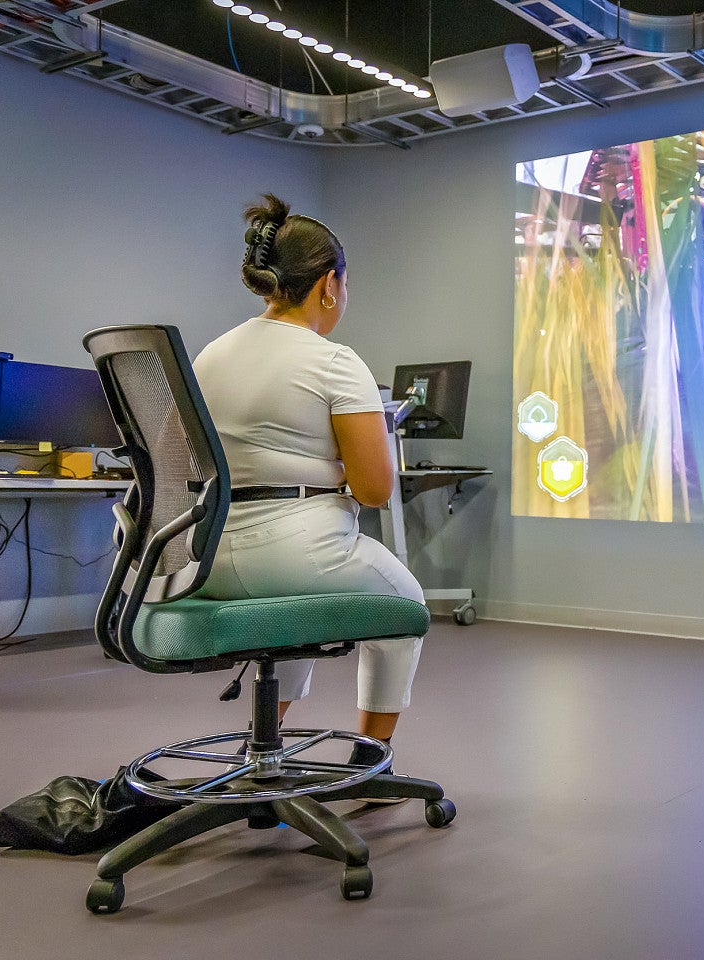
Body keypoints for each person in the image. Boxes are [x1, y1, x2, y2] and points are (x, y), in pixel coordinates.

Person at [192, 193, 422, 773]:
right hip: (293, 554)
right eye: (345, 283)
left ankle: (262, 753)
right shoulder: (336, 362)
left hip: (203, 559)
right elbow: (374, 489)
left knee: (291, 610)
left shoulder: (210, 356)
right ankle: (370, 764)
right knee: (403, 605)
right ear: (327, 284)